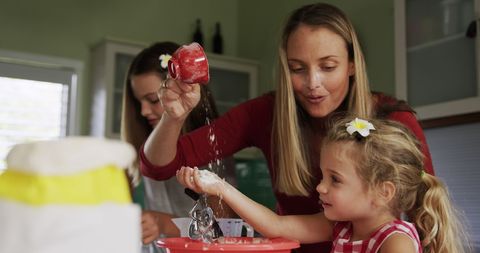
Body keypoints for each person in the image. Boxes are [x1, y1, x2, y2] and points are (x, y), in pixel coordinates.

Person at [140, 3, 434, 252]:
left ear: (353, 64)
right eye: (297, 68)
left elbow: (428, 221)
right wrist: (173, 117)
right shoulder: (268, 114)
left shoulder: (394, 124)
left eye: (328, 67)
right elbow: (159, 166)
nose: (313, 83)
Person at [177, 116, 472, 253]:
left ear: (383, 192)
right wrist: (220, 187)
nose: (319, 188)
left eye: (335, 179)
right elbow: (276, 227)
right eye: (323, 176)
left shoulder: (396, 242)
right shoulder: (340, 227)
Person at [120, 41, 236, 252]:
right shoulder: (148, 149)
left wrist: (163, 223)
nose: (144, 111)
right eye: (139, 103)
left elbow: (222, 228)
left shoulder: (211, 149)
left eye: (153, 100)